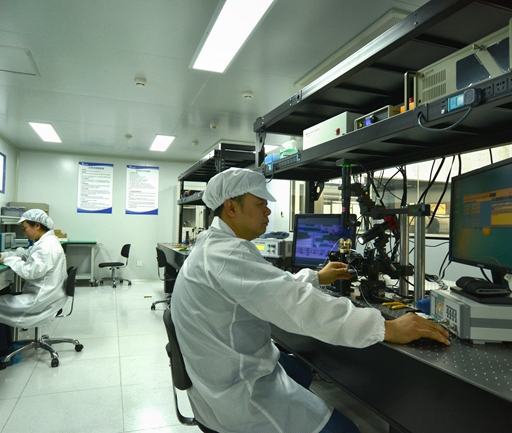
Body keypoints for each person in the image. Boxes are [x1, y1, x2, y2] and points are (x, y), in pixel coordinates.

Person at [170, 168, 450, 433]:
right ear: (231, 207)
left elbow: (270, 287)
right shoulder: (227, 255)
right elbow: (295, 304)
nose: (268, 211)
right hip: (239, 394)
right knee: (345, 431)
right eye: (260, 204)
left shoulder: (215, 246)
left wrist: (317, 277)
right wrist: (385, 327)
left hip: (221, 374)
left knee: (301, 368)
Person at [0, 209, 68, 360]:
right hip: (47, 294)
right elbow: (26, 254)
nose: (24, 232)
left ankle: (1, 352)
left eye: (25, 228)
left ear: (37, 225)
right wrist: (3, 255)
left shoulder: (46, 247)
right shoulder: (46, 242)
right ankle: (6, 345)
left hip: (41, 299)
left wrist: (10, 261)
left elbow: (31, 272)